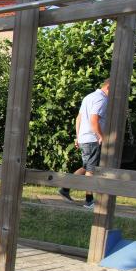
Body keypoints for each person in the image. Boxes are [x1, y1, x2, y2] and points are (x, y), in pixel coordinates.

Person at [58, 78, 110, 209]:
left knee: (87, 167)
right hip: (92, 139)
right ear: (109, 87)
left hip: (84, 138)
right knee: (91, 170)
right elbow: (94, 120)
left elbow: (79, 118)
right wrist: (101, 136)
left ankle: (65, 188)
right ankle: (89, 200)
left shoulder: (89, 97)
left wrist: (78, 137)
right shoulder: (102, 99)